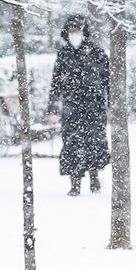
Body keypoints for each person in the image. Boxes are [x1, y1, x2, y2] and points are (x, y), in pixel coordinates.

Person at [46, 14, 111, 196]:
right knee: (72, 143)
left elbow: (107, 80)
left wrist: (110, 104)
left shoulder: (97, 52)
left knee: (94, 142)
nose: (74, 34)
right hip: (71, 108)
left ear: (84, 32)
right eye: (71, 31)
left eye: (78, 30)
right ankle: (74, 182)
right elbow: (56, 83)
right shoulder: (64, 54)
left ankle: (94, 176)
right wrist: (52, 109)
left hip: (94, 107)